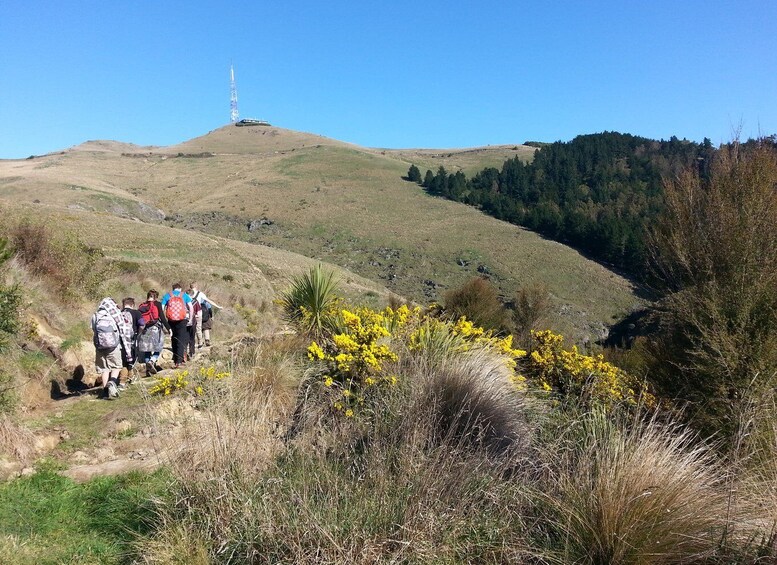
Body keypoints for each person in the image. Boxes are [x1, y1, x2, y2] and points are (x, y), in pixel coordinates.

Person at [91, 297, 133, 399]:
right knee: (116, 367)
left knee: (105, 369)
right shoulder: (115, 314)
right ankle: (113, 382)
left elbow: (93, 329)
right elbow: (122, 328)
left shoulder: (95, 315)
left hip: (100, 346)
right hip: (114, 346)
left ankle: (105, 392)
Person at [161, 283, 194, 368]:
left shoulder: (167, 295)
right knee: (180, 339)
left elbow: (162, 307)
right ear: (180, 288)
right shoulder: (185, 295)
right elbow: (191, 307)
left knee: (173, 338)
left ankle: (175, 358)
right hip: (182, 320)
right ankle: (179, 361)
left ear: (173, 288)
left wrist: (164, 319)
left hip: (171, 320)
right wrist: (190, 319)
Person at [137, 289, 170, 375]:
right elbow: (162, 318)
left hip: (144, 329)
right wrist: (169, 329)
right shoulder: (157, 304)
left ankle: (148, 370)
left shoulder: (142, 305)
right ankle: (152, 361)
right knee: (159, 346)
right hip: (155, 328)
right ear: (156, 297)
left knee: (147, 349)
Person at [119, 297, 143, 388]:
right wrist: (139, 333)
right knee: (130, 360)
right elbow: (142, 324)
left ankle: (131, 377)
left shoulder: (119, 313)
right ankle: (122, 382)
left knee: (123, 360)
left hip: (120, 340)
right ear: (132, 304)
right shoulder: (136, 313)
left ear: (123, 304)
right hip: (132, 339)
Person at [189, 282, 222, 347]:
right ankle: (205, 340)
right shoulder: (200, 294)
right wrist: (217, 306)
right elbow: (208, 303)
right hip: (201, 312)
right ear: (196, 286)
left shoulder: (188, 294)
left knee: (195, 328)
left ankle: (196, 342)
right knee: (205, 327)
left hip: (191, 313)